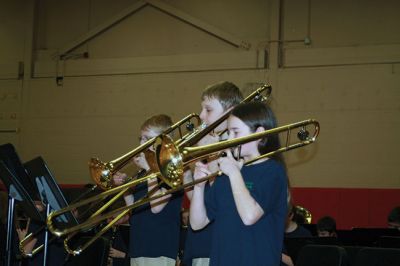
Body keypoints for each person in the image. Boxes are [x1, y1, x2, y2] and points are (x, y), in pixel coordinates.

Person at [190, 101, 289, 266]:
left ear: (259, 134)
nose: (230, 140)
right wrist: (199, 187)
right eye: (229, 133)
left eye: (235, 132)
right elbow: (197, 223)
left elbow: (249, 216)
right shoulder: (227, 172)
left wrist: (234, 173)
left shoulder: (273, 172)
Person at [183, 81, 243, 266]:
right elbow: (203, 202)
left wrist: (210, 158)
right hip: (200, 242)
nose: (201, 116)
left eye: (208, 110)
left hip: (222, 245)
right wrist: (187, 174)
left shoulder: (239, 151)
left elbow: (227, 199)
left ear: (229, 111)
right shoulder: (210, 145)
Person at [113, 114, 183, 266]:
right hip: (138, 249)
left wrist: (149, 167)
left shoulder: (170, 171)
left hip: (159, 251)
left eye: (147, 139)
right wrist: (125, 188)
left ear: (162, 142)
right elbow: (134, 208)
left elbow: (157, 207)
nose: (141, 144)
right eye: (141, 139)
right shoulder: (144, 174)